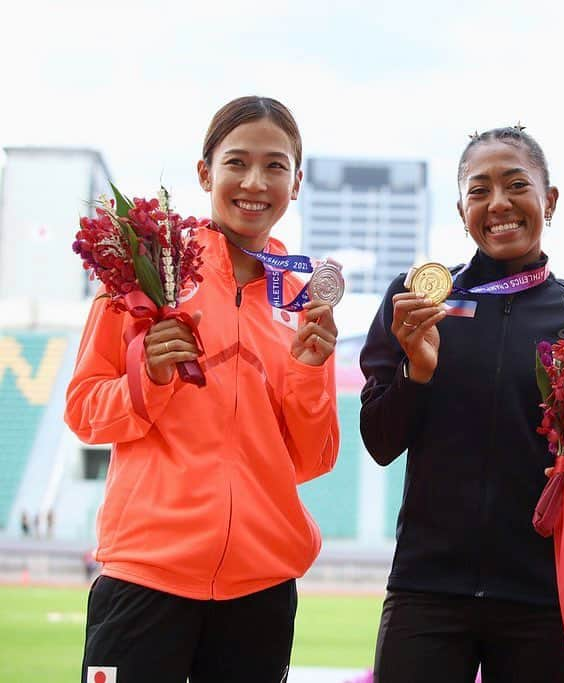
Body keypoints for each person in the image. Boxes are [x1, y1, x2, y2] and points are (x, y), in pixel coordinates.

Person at [65, 96, 340, 683]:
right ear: (204, 172)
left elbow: (313, 459)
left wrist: (312, 370)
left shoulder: (301, 299)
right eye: (237, 162)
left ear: (296, 183)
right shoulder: (146, 270)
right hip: (146, 577)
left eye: (275, 166)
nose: (254, 182)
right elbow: (86, 412)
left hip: (261, 591)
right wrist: (150, 378)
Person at [360, 126, 564, 683]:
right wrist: (417, 372)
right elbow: (380, 443)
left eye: (516, 185)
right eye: (479, 191)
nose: (498, 203)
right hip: (427, 589)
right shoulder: (415, 302)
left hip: (541, 596)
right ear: (461, 210)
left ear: (549, 201)